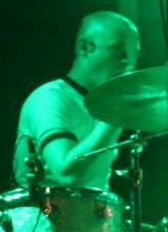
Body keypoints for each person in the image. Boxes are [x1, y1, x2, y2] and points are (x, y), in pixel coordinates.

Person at [12, 10, 139, 191]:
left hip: (91, 208)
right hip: (45, 206)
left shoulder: (100, 106)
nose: (130, 64)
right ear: (85, 47)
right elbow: (67, 175)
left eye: (135, 55)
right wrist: (114, 120)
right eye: (120, 52)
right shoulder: (50, 98)